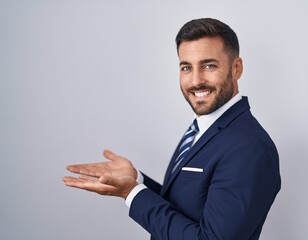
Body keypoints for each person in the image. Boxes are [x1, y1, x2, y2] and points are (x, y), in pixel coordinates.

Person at [63, 18, 281, 240]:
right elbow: (186, 210)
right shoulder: (202, 128)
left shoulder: (249, 147)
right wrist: (137, 180)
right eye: (186, 67)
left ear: (236, 68)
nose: (196, 80)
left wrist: (132, 193)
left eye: (209, 65)